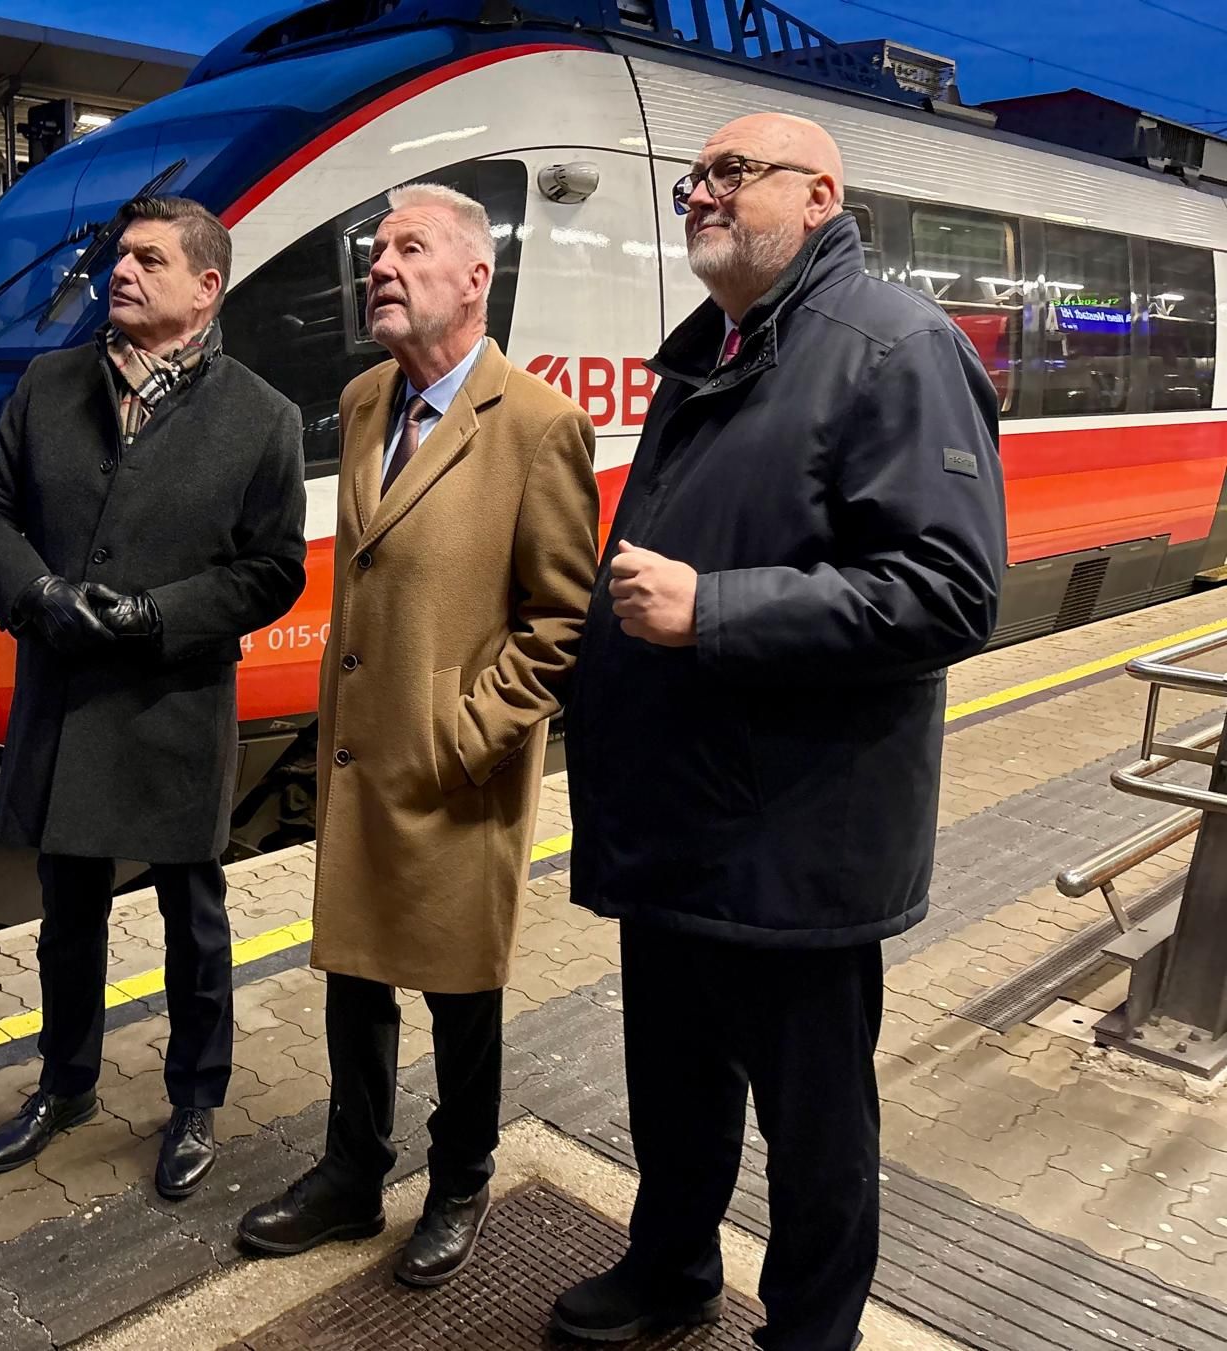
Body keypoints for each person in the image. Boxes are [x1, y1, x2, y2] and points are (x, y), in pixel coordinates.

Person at [554, 114, 1006, 1348]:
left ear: (819, 197)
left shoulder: (893, 348)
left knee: (812, 1124)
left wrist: (711, 609)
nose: (702, 192)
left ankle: (812, 1330)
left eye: (734, 172)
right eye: (695, 177)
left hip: (795, 833)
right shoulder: (712, 349)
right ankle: (670, 1266)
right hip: (679, 813)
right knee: (674, 1078)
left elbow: (950, 592)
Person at [236, 183, 599, 1286]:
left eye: (410, 247)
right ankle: (352, 1175)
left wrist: (467, 733)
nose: (379, 266)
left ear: (476, 277)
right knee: (354, 974)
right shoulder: (365, 400)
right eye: (377, 248)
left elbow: (562, 619)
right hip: (361, 746)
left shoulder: (535, 425)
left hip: (453, 767)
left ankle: (461, 1176)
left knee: (457, 988)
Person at [0, 196, 306, 1199]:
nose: (122, 270)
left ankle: (194, 1098)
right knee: (67, 915)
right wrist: (37, 593)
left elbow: (272, 571)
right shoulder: (50, 384)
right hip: (66, 695)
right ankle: (64, 1086)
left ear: (205, 287)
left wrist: (157, 614)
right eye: (121, 255)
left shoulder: (262, 417)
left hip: (174, 702)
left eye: (150, 259)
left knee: (194, 918)